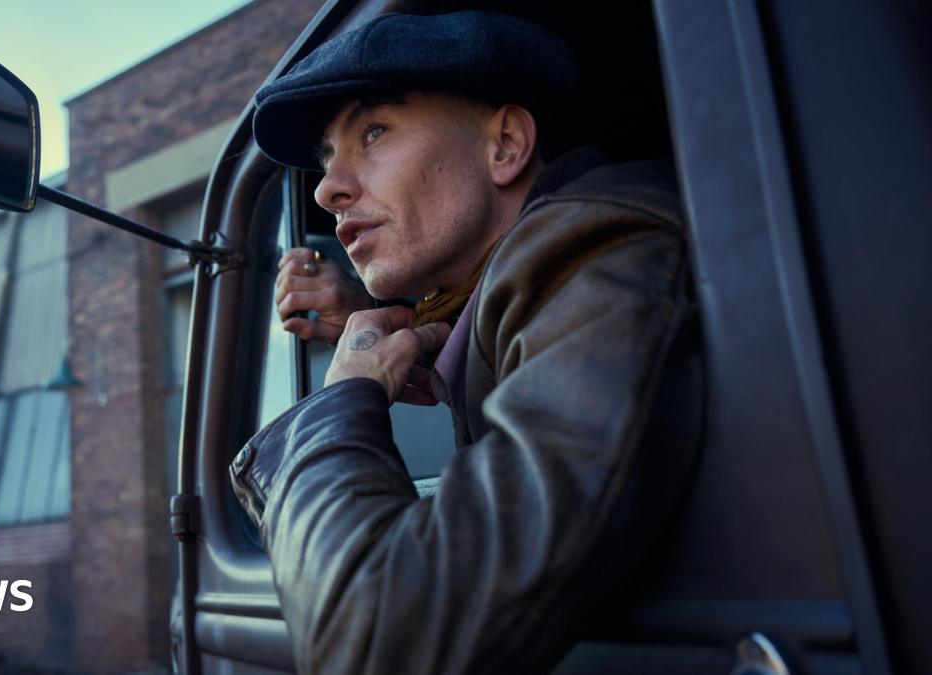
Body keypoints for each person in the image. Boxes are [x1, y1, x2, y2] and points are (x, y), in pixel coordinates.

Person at [230, 11, 703, 674]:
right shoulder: (549, 272)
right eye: (326, 160)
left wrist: (342, 399)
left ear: (505, 145)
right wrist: (379, 319)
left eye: (373, 130)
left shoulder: (596, 253)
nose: (328, 188)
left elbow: (379, 639)